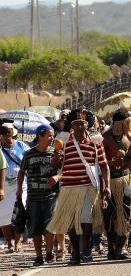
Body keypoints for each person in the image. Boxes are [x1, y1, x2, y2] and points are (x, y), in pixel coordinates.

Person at [46, 111, 110, 266]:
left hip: (88, 186)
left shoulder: (96, 142)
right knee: (71, 222)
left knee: (86, 218)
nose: (80, 126)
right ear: (72, 126)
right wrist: (57, 158)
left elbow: (104, 165)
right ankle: (75, 252)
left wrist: (106, 186)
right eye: (76, 123)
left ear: (87, 125)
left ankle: (86, 249)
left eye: (83, 123)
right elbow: (55, 165)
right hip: (69, 187)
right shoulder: (63, 141)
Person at [16, 125, 59, 266]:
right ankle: (39, 256)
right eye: (50, 135)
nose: (52, 138)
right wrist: (19, 189)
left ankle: (49, 252)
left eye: (53, 135)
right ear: (40, 136)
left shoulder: (55, 153)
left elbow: (63, 170)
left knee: (49, 227)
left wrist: (58, 177)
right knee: (35, 228)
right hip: (33, 198)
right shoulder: (29, 154)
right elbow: (21, 172)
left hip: (50, 197)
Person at [102, 111, 131, 260]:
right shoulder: (105, 138)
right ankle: (111, 248)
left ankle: (121, 248)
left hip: (125, 181)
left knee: (126, 215)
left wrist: (127, 162)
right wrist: (112, 162)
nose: (130, 125)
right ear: (119, 123)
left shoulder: (129, 137)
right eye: (127, 122)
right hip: (110, 182)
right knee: (110, 216)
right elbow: (99, 162)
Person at [0, 123, 29, 253]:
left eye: (11, 135)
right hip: (4, 186)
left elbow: (29, 158)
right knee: (3, 215)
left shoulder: (21, 145)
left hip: (20, 184)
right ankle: (10, 243)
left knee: (19, 213)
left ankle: (17, 242)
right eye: (6, 135)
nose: (9, 138)